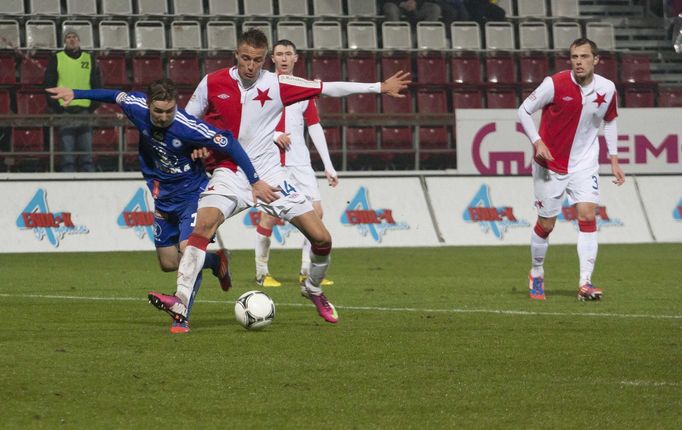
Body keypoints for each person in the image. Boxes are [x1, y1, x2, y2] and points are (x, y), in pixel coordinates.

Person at [147, 29, 410, 325]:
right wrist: (193, 148)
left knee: (322, 239)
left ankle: (311, 288)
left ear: (264, 60)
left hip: (271, 176)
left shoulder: (279, 84)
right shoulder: (213, 82)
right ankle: (180, 300)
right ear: (236, 55)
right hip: (230, 173)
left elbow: (326, 87)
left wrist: (378, 87)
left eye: (257, 60)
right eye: (245, 58)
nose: (250, 65)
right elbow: (188, 120)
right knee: (204, 225)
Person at [46, 79, 279, 333]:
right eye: (158, 111)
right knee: (169, 262)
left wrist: (255, 180)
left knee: (187, 249)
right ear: (148, 106)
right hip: (163, 197)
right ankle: (215, 262)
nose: (164, 116)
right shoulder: (136, 107)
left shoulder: (188, 126)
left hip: (193, 194)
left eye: (170, 110)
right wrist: (76, 93)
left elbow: (229, 143)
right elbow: (114, 95)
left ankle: (181, 315)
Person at [517, 38, 625, 302]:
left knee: (588, 216)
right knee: (546, 223)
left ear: (596, 60)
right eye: (574, 57)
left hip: (585, 163)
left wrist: (614, 157)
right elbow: (523, 110)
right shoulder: (555, 83)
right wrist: (537, 141)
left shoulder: (607, 89)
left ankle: (585, 283)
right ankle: (537, 271)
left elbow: (609, 121)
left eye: (584, 56)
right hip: (550, 164)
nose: (578, 62)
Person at [253, 39, 338, 290]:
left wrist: (328, 164)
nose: (283, 58)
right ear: (273, 58)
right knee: (269, 217)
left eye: (288, 54)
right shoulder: (263, 87)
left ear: (296, 58)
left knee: (317, 213)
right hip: (272, 161)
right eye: (279, 54)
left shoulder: (303, 88)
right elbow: (250, 125)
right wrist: (274, 135)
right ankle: (261, 272)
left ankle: (305, 271)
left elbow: (314, 125)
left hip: (300, 162)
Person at [44, 29, 101, 172]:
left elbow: (97, 83)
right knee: (67, 157)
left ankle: (90, 184)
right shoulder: (57, 57)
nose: (71, 39)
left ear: (79, 40)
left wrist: (92, 105)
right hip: (65, 112)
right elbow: (49, 84)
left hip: (85, 111)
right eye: (68, 37)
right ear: (65, 41)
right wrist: (57, 107)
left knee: (86, 155)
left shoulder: (89, 58)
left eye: (74, 37)